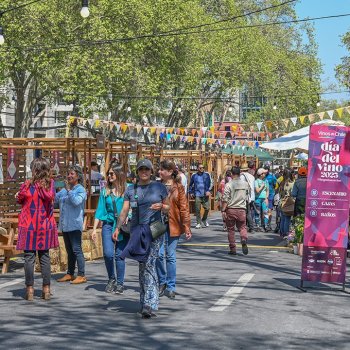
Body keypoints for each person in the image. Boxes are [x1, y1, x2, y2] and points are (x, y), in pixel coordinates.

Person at [118, 159, 169, 318]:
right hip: (137, 231)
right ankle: (145, 301)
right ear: (137, 172)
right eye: (141, 169)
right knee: (143, 265)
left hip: (154, 229)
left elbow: (168, 208)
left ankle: (149, 302)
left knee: (149, 263)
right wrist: (118, 228)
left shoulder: (159, 187)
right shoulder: (130, 189)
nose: (144, 172)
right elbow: (124, 211)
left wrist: (161, 207)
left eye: (147, 169)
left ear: (151, 171)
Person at [16, 158, 59, 301]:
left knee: (29, 258)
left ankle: (29, 289)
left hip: (28, 226)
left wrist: (18, 195)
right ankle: (46, 289)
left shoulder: (27, 185)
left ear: (34, 170)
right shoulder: (50, 184)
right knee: (44, 257)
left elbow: (20, 198)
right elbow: (51, 198)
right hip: (44, 226)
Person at [91, 163, 129, 294]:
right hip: (108, 224)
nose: (109, 176)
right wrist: (95, 229)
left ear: (119, 174)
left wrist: (129, 215)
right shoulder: (105, 191)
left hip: (122, 226)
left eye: (112, 173)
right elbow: (100, 210)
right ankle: (111, 279)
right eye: (108, 173)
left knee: (119, 255)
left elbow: (132, 207)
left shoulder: (127, 189)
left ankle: (120, 283)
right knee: (108, 254)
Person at [157, 160, 192, 299]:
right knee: (159, 255)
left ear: (170, 172)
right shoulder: (156, 186)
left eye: (162, 170)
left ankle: (171, 286)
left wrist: (187, 226)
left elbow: (184, 208)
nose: (159, 172)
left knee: (170, 256)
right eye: (159, 170)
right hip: (158, 225)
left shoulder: (178, 188)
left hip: (174, 224)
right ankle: (162, 282)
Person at [56, 165, 87, 284]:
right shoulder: (64, 190)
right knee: (69, 250)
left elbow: (76, 202)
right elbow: (55, 200)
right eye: (68, 174)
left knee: (76, 249)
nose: (69, 176)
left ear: (78, 176)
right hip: (65, 225)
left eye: (72, 174)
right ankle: (70, 273)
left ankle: (81, 274)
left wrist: (69, 190)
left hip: (74, 224)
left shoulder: (81, 190)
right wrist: (54, 188)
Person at [221, 167, 249, 255]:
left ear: (231, 174)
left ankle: (233, 249)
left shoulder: (229, 184)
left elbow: (225, 199)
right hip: (242, 209)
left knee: (231, 230)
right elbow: (247, 196)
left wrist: (223, 210)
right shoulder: (245, 184)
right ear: (240, 173)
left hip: (231, 209)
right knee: (242, 227)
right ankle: (243, 239)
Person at [189, 164, 211, 229]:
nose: (202, 169)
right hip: (197, 194)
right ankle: (198, 223)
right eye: (200, 167)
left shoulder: (207, 175)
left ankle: (204, 219)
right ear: (197, 168)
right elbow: (190, 185)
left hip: (205, 194)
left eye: (203, 167)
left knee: (207, 208)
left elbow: (210, 183)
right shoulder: (194, 176)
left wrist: (208, 190)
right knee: (197, 209)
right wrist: (191, 192)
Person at [278, 169, 295, 237]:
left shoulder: (281, 182)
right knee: (287, 219)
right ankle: (286, 233)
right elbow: (292, 194)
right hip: (288, 203)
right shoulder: (291, 183)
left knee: (283, 218)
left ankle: (282, 232)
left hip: (281, 201)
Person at [240, 163, 256, 232]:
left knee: (246, 212)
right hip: (252, 196)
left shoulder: (242, 177)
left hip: (245, 196)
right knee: (249, 211)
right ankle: (249, 226)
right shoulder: (252, 176)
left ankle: (250, 226)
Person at [264, 165, 277, 231]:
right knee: (264, 210)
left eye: (267, 169)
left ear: (268, 170)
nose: (266, 171)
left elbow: (275, 185)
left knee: (269, 210)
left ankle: (268, 224)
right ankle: (264, 224)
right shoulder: (262, 176)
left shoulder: (272, 176)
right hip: (263, 195)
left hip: (270, 195)